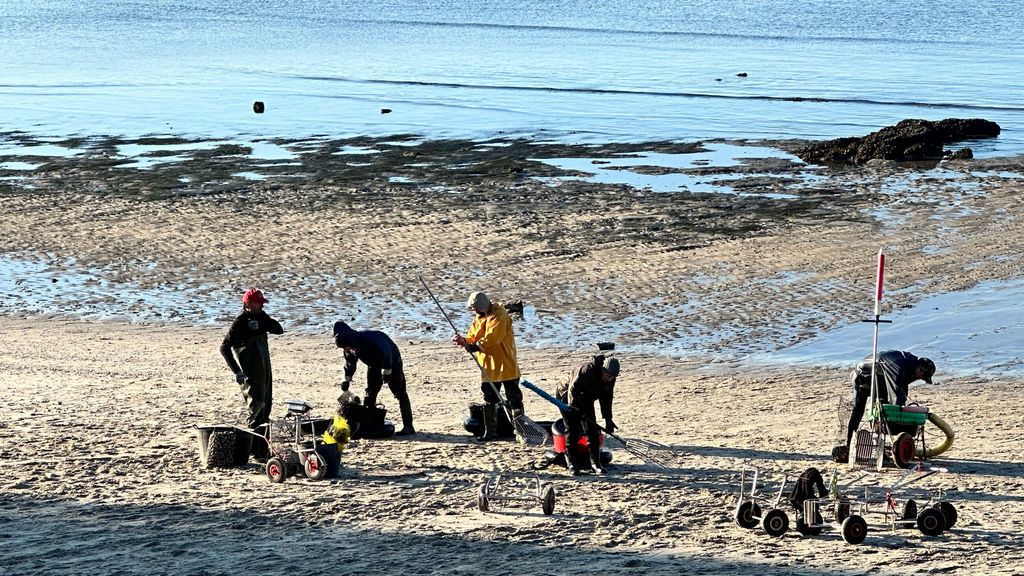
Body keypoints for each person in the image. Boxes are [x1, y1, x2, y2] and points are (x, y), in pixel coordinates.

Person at [220, 288, 284, 458]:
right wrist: (237, 372)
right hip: (249, 374)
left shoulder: (261, 316)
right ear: (248, 304)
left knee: (266, 409)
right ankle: (255, 452)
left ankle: (262, 450)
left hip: (265, 372)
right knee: (256, 410)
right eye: (259, 304)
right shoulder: (240, 321)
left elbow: (279, 329)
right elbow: (224, 348)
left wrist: (262, 324)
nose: (262, 306)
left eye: (263, 304)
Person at [453, 291, 522, 442]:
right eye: (473, 309)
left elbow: (493, 338)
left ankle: (520, 432)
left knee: (514, 400)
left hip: (505, 365)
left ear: (483, 305)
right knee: (489, 399)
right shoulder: (479, 318)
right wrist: (464, 341)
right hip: (488, 367)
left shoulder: (500, 315)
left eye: (477, 308)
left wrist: (474, 347)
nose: (475, 312)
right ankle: (490, 432)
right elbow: (473, 336)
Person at [333, 320, 415, 436]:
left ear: (350, 341)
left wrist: (387, 371)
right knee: (371, 392)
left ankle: (408, 427)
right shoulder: (349, 348)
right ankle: (367, 425)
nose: (346, 350)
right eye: (344, 348)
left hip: (392, 358)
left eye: (346, 347)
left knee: (399, 392)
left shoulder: (368, 339)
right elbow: (350, 364)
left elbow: (387, 352)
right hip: (373, 364)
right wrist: (346, 379)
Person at [845, 350, 935, 450]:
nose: (921, 379)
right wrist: (901, 412)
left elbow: (902, 387)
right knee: (859, 410)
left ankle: (879, 445)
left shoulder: (909, 366)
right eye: (923, 377)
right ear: (921, 369)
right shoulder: (899, 365)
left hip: (879, 376)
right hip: (863, 376)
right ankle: (848, 444)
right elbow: (896, 391)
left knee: (881, 409)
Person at [556, 355, 619, 475]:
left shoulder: (611, 379)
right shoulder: (586, 370)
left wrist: (608, 419)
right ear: (602, 370)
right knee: (572, 428)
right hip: (566, 394)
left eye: (612, 378)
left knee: (592, 430)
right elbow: (572, 390)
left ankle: (595, 464)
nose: (609, 379)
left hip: (586, 397)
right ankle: (572, 464)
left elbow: (607, 398)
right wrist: (574, 408)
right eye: (607, 376)